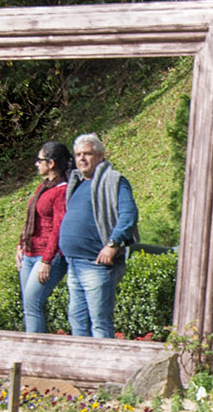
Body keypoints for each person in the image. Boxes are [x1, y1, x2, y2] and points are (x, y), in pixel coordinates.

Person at [57, 133, 139, 339]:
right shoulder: (77, 182)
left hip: (96, 263)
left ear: (100, 156)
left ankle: (107, 368)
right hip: (74, 263)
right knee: (77, 320)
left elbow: (128, 215)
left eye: (87, 154)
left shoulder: (114, 181)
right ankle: (81, 368)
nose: (82, 159)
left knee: (99, 322)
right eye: (78, 154)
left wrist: (113, 244)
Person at [16, 141, 72, 333]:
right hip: (30, 253)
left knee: (32, 304)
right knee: (28, 306)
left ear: (51, 163)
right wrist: (20, 246)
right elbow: (31, 218)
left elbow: (58, 226)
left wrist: (47, 260)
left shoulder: (61, 190)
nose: (36, 164)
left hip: (46, 256)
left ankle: (33, 354)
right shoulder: (44, 186)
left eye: (40, 160)